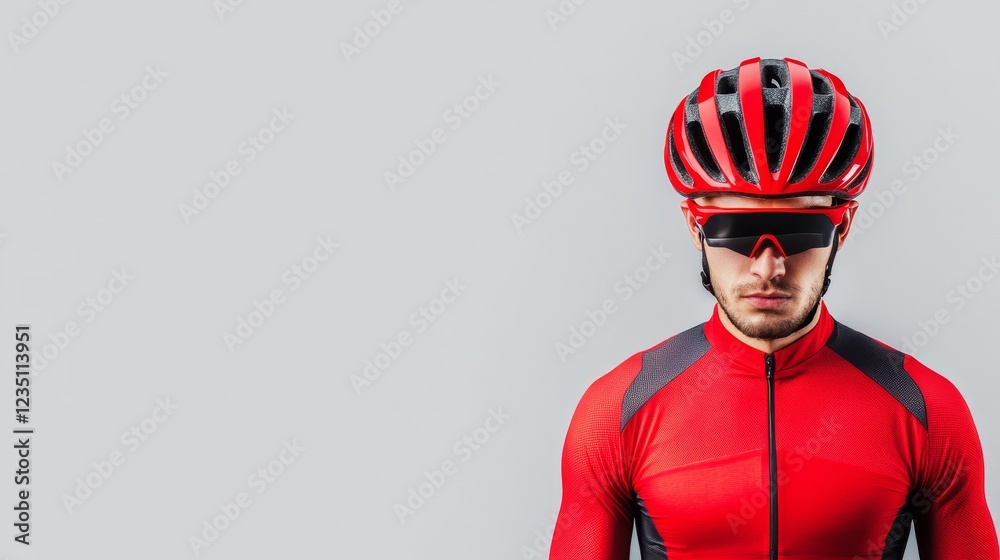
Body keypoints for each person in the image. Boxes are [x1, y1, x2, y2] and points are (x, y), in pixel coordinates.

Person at [548, 57, 999, 560]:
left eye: (799, 233)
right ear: (695, 228)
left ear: (842, 229)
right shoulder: (617, 411)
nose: (768, 267)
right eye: (735, 233)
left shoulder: (926, 409)